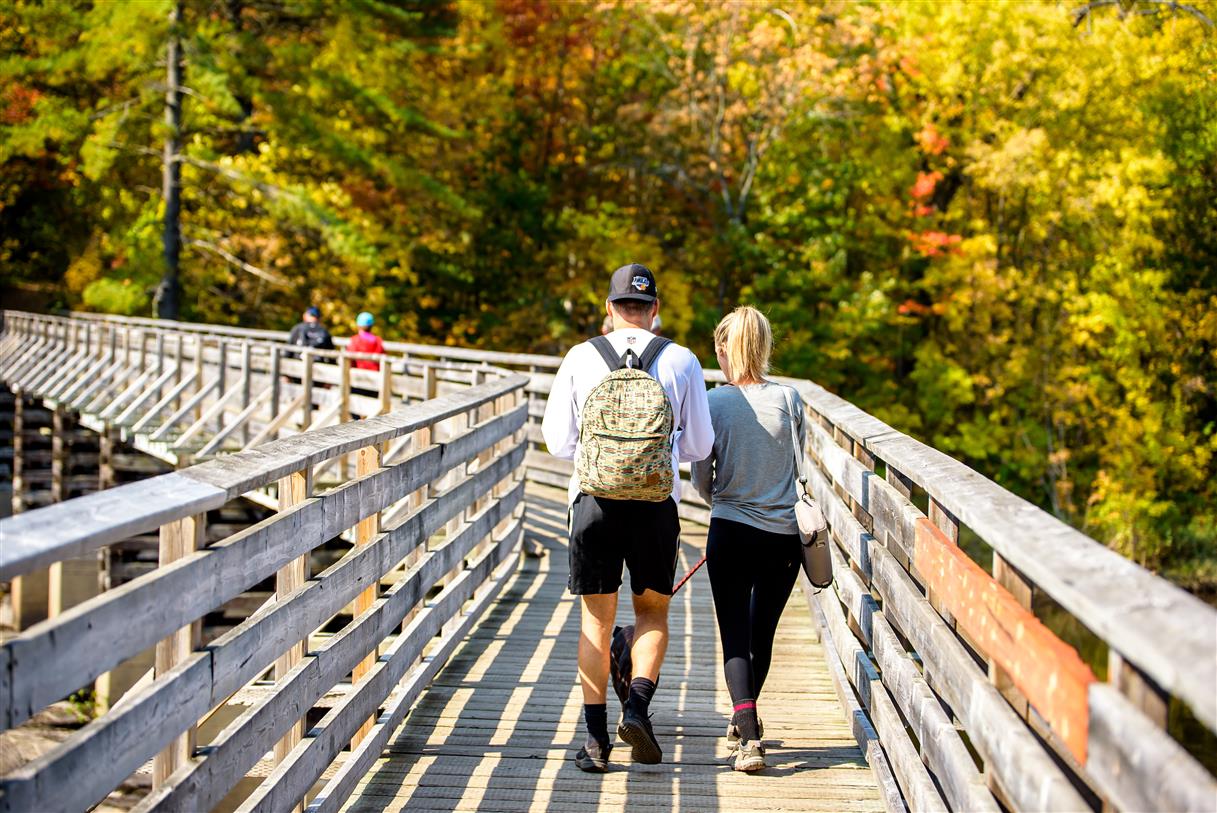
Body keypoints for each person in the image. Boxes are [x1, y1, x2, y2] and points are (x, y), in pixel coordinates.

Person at [542, 263, 713, 773]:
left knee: (596, 622)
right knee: (652, 614)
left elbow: (557, 442)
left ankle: (595, 743)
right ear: (655, 309)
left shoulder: (580, 357)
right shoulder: (681, 360)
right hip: (657, 507)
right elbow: (700, 446)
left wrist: (603, 457)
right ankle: (636, 706)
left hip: (593, 503)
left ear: (610, 308)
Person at [691, 306, 805, 772]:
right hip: (782, 537)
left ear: (722, 349)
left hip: (731, 530)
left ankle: (749, 735)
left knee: (734, 633)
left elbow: (700, 476)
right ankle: (746, 717)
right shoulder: (790, 399)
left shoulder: (712, 404)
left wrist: (720, 498)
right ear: (765, 347)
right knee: (762, 633)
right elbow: (800, 464)